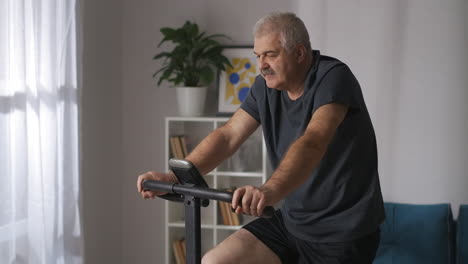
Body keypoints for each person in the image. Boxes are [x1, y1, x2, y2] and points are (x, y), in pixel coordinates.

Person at [137, 12, 385, 264]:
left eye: (271, 54)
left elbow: (314, 140)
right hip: (292, 222)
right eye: (258, 56)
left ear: (299, 54)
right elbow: (229, 135)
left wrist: (268, 190)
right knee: (215, 261)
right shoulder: (264, 87)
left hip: (342, 233)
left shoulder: (332, 78)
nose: (261, 65)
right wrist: (174, 177)